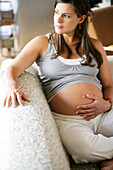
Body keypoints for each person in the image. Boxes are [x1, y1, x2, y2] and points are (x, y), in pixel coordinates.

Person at [1, 0, 113, 169]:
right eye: (56, 13)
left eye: (66, 15)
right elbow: (12, 67)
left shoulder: (95, 46)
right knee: (85, 149)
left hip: (104, 113)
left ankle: (107, 156)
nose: (58, 20)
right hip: (70, 121)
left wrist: (107, 104)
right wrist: (12, 87)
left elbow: (109, 85)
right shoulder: (43, 43)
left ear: (81, 19)